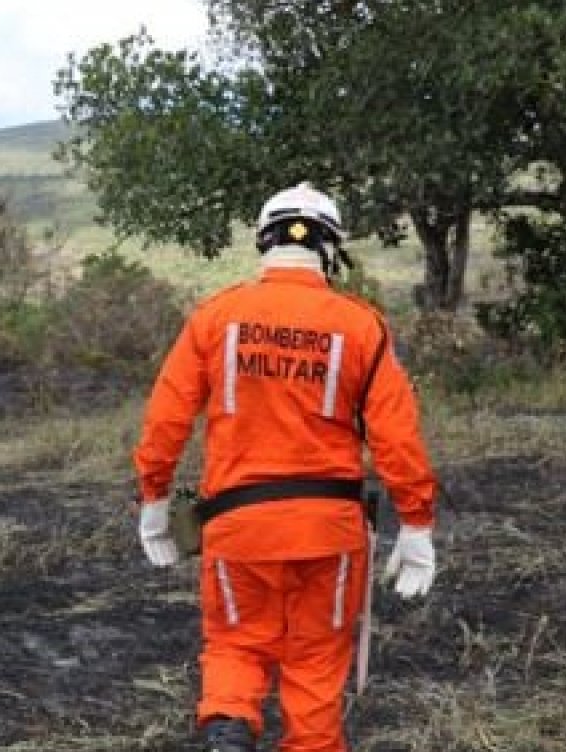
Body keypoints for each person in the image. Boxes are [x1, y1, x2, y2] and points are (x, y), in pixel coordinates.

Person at [131, 183, 440, 752]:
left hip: (237, 531)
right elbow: (398, 437)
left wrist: (154, 501)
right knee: (317, 660)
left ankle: (228, 723)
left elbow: (166, 419)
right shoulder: (361, 325)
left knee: (234, 642)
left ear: (264, 241)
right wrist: (417, 524)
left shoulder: (214, 317)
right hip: (331, 535)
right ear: (330, 247)